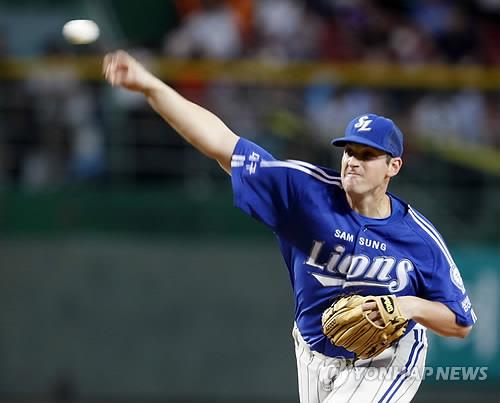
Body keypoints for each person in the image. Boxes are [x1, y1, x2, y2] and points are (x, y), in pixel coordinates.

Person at [102, 50, 476, 403]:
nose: (353, 161)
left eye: (367, 155)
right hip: (313, 350)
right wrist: (151, 86)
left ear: (393, 166)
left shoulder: (418, 238)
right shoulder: (303, 191)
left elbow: (460, 323)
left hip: (388, 357)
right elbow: (220, 143)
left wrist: (409, 305)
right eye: (349, 151)